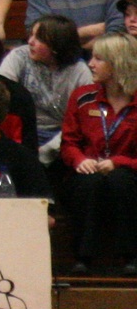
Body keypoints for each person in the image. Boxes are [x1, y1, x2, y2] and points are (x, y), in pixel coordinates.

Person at [56, 31, 137, 275]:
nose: (90, 64)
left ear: (118, 63)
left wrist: (119, 162)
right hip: (88, 172)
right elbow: (68, 143)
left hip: (128, 173)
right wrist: (79, 159)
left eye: (98, 59)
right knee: (88, 184)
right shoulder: (83, 97)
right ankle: (82, 257)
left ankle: (130, 256)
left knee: (120, 182)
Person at [0, 16, 95, 158]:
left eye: (39, 39)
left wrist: (47, 150)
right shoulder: (19, 56)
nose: (30, 42)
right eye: (31, 35)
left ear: (57, 46)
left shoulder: (80, 71)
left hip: (62, 137)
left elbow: (83, 120)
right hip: (23, 130)